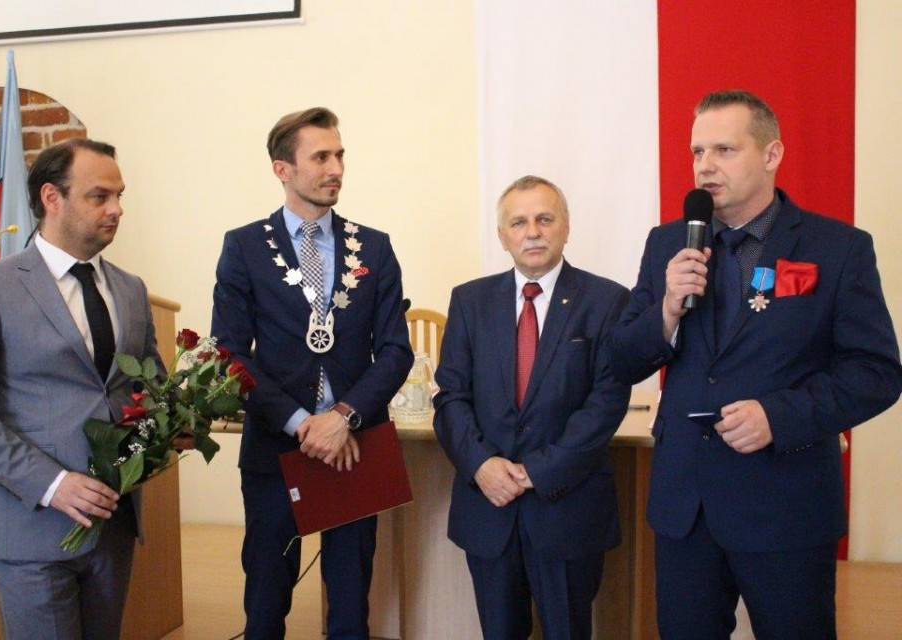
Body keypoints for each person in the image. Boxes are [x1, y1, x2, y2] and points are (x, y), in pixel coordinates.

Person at [608, 90, 902, 638]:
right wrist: (666, 309)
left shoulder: (837, 248)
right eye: (697, 152)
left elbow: (876, 373)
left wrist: (778, 415)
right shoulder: (668, 243)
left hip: (785, 504)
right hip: (686, 506)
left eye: (724, 149)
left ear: (772, 155)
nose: (705, 166)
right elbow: (622, 359)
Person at [0, 138, 162, 639]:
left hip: (114, 526)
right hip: (33, 529)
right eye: (99, 196)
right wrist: (52, 483)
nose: (117, 209)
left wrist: (174, 420)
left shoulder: (130, 289)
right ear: (51, 197)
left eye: (119, 196)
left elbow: (147, 387)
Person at [211, 107, 413, 639]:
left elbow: (396, 350)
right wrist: (304, 424)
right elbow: (230, 353)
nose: (336, 168)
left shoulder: (375, 246)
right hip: (277, 447)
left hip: (355, 445)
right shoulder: (244, 246)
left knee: (350, 606)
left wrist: (342, 416)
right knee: (265, 603)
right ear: (282, 169)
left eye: (339, 155)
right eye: (321, 157)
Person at [433, 175, 632, 639]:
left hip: (566, 508)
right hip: (489, 509)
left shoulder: (607, 301)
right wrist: (481, 465)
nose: (533, 232)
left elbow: (606, 403)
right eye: (518, 223)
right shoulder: (469, 301)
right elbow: (451, 396)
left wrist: (537, 472)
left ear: (566, 226)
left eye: (545, 219)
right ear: (502, 236)